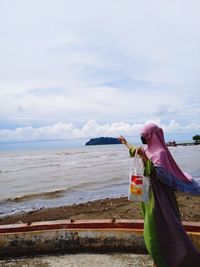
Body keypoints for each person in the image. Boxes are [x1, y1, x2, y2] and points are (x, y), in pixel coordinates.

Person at [118, 123, 200, 267]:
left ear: (153, 135)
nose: (142, 138)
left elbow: (159, 174)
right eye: (141, 136)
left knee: (162, 227)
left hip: (160, 197)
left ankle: (173, 259)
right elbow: (134, 151)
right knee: (157, 228)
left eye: (144, 136)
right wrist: (125, 143)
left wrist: (144, 158)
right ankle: (159, 260)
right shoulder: (148, 149)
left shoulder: (160, 153)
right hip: (148, 196)